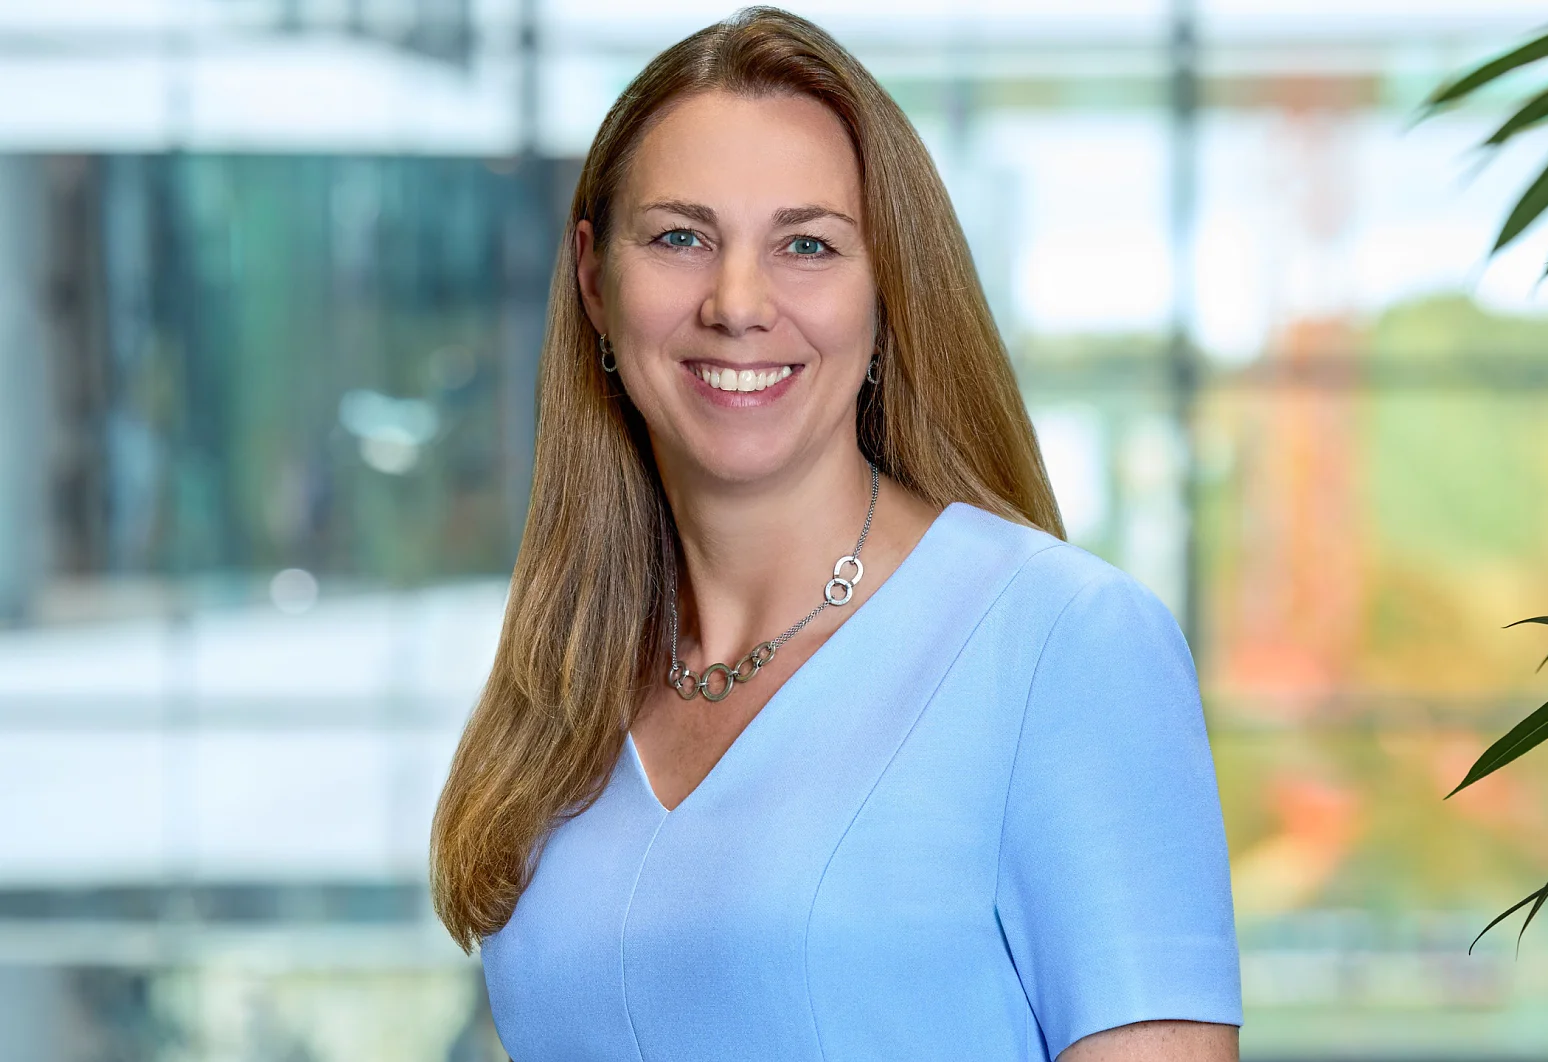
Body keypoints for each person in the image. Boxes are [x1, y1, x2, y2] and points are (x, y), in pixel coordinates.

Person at [429, 8, 1241, 1060]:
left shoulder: (1062, 643)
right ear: (594, 279)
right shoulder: (567, 683)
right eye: (681, 237)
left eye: (805, 245)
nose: (736, 302)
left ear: (885, 295)